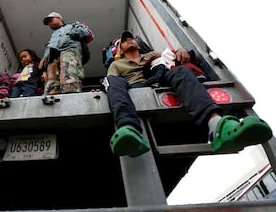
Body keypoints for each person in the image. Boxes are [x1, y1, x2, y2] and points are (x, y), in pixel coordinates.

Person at [103, 30, 273, 157]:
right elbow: (112, 85)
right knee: (112, 81)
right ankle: (130, 130)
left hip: (160, 80)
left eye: (130, 38)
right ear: (119, 50)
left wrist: (181, 49)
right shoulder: (118, 65)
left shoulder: (153, 55)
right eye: (123, 41)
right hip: (135, 88)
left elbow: (172, 57)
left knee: (182, 71)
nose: (129, 41)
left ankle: (216, 127)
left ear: (138, 44)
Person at [39, 12, 89, 95]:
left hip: (69, 50)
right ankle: (52, 95)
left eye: (50, 20)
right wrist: (44, 58)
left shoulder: (72, 26)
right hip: (53, 56)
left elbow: (83, 32)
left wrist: (73, 33)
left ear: (59, 18)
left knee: (69, 72)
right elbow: (49, 47)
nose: (49, 23)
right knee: (52, 77)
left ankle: (71, 94)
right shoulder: (53, 35)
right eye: (48, 23)